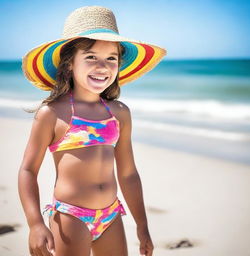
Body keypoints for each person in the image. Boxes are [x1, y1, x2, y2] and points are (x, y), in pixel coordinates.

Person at [18, 5, 167, 256]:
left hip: (111, 215)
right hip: (70, 217)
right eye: (91, 57)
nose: (103, 66)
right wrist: (35, 224)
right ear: (69, 65)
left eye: (111, 58)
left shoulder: (119, 113)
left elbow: (128, 173)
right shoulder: (52, 113)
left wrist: (142, 224)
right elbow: (27, 170)